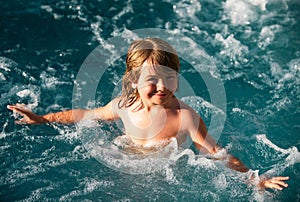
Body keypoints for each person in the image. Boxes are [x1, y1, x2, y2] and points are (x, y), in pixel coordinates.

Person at [7, 38, 289, 190]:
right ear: (133, 81)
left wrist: (255, 178)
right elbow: (87, 114)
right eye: (152, 79)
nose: (162, 86)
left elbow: (217, 153)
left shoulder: (185, 117)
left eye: (169, 77)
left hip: (167, 174)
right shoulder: (125, 105)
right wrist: (43, 118)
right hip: (126, 166)